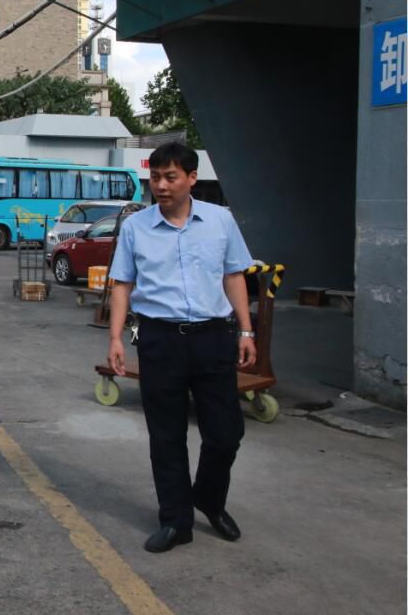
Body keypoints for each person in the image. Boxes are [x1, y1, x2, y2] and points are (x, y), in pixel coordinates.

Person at [106, 142, 256, 554]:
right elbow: (122, 284)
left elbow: (234, 276)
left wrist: (246, 331)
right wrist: (116, 337)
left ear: (191, 178)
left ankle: (208, 497)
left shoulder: (220, 221)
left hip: (213, 338)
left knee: (225, 433)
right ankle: (176, 520)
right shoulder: (136, 227)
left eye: (170, 177)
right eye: (155, 177)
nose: (161, 185)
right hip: (160, 340)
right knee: (166, 436)